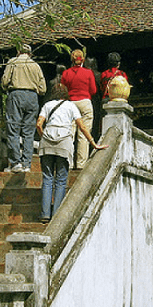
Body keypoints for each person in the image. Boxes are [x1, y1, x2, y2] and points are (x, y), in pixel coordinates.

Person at [36, 83, 108, 222]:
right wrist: (93, 143)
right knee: (61, 180)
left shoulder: (48, 105)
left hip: (47, 143)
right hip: (64, 143)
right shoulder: (71, 106)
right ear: (65, 94)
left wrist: (43, 136)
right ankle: (56, 214)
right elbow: (82, 126)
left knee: (47, 178)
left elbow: (39, 123)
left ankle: (45, 214)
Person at [1, 43, 46, 172]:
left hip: (16, 95)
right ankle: (27, 164)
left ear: (18, 52)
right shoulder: (35, 66)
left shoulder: (13, 62)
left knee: (13, 130)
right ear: (30, 54)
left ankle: (16, 163)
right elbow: (43, 88)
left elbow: (5, 82)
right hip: (32, 97)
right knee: (29, 132)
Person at [61, 49, 97, 169]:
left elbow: (62, 90)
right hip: (85, 102)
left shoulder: (66, 73)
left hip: (71, 103)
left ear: (72, 60)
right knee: (84, 134)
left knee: (70, 134)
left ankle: (69, 162)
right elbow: (93, 90)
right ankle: (81, 164)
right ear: (83, 59)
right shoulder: (88, 73)